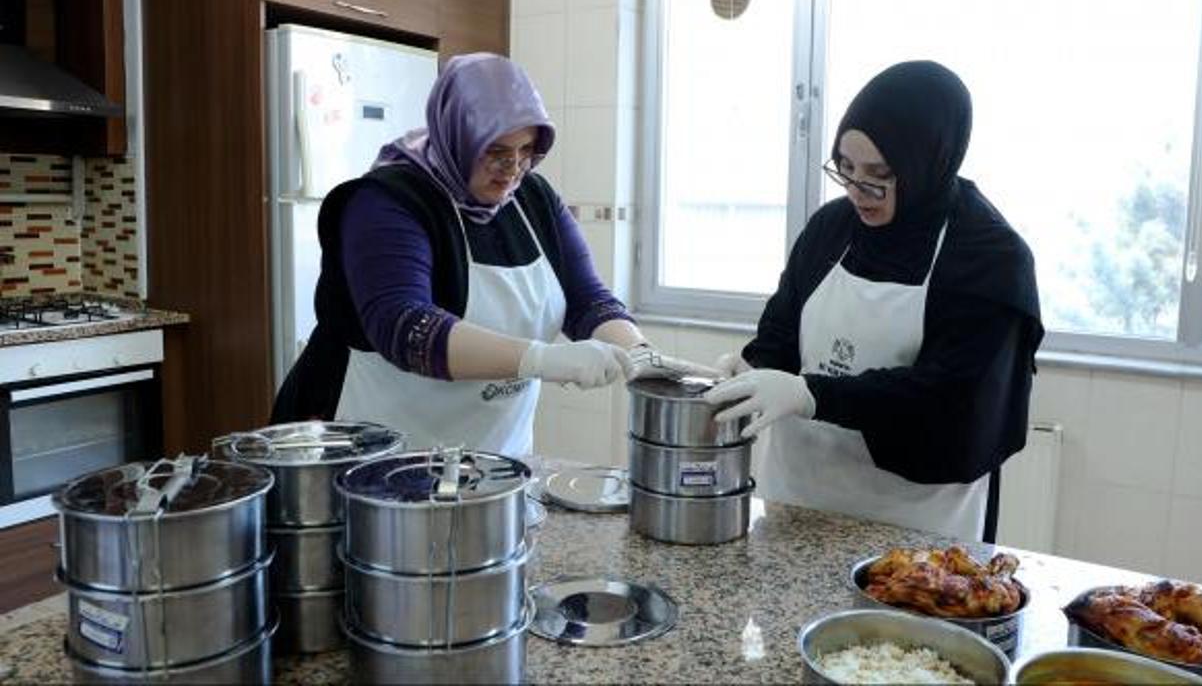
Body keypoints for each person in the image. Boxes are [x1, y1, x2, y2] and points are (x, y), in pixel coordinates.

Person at [271, 53, 709, 455]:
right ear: (457, 135)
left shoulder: (533, 199)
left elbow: (587, 299)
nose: (512, 170)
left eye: (526, 152)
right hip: (377, 451)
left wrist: (639, 353)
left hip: (492, 461)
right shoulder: (387, 203)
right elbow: (404, 327)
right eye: (496, 153)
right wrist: (539, 358)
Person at [705, 60, 1043, 542]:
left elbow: (950, 397)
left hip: (915, 522)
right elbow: (781, 333)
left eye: (879, 174)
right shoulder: (831, 229)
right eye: (845, 168)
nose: (857, 191)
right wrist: (748, 367)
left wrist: (812, 394)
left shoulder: (988, 257)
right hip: (800, 498)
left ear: (928, 160)